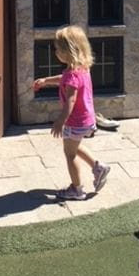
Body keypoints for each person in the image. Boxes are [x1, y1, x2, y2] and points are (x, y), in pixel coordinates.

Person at [33, 25, 110, 200]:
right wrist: (46, 81)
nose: (55, 52)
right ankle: (99, 168)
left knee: (70, 154)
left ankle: (76, 189)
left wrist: (61, 120)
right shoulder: (81, 69)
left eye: (58, 49)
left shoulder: (72, 74)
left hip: (74, 121)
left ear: (69, 51)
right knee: (73, 146)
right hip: (87, 120)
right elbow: (64, 80)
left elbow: (71, 100)